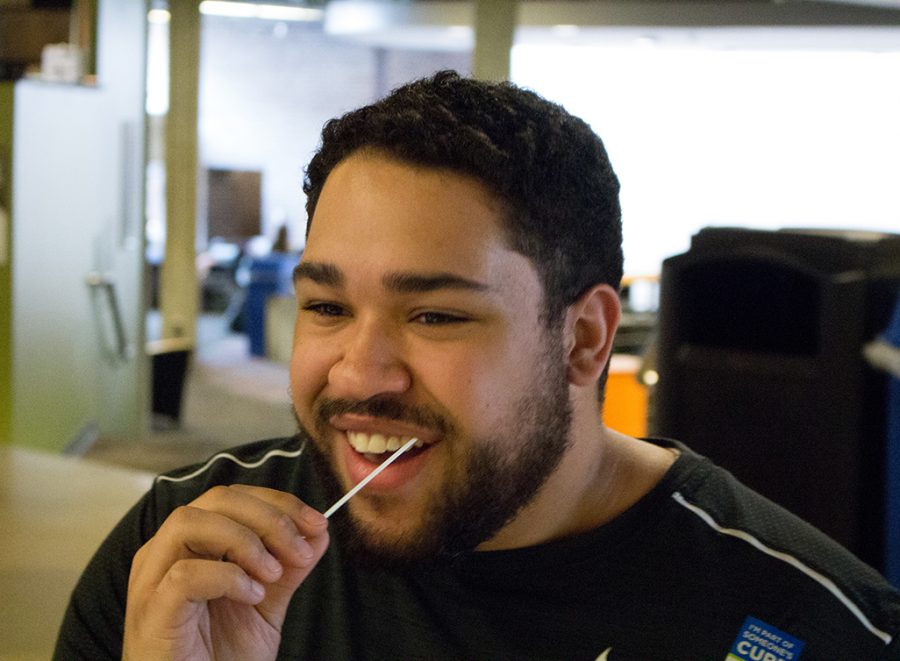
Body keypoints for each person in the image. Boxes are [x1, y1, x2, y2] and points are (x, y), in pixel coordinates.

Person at [56, 71, 900, 660]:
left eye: (434, 314)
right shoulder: (185, 564)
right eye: (327, 306)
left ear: (583, 338)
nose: (358, 372)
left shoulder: (817, 624)